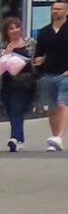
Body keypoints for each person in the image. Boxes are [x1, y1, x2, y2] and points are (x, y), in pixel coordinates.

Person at [33, 0, 68, 153]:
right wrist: (40, 69)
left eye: (59, 9)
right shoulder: (44, 32)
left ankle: (60, 136)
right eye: (53, 9)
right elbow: (39, 54)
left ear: (67, 12)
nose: (55, 11)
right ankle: (55, 138)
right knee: (52, 108)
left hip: (66, 74)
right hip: (48, 74)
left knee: (62, 104)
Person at [0, 14, 32, 151]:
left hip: (24, 83)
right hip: (7, 83)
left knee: (17, 109)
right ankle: (19, 140)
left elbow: (36, 59)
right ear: (6, 31)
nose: (14, 30)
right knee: (11, 109)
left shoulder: (30, 43)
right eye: (11, 28)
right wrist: (6, 54)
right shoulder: (3, 46)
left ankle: (14, 137)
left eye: (17, 27)